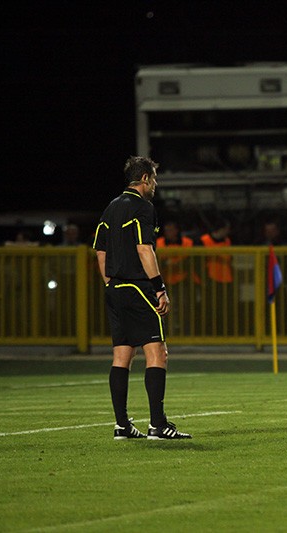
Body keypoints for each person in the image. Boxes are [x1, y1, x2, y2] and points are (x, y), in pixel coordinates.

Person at [93, 156, 191, 440]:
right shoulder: (143, 207)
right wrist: (159, 288)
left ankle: (122, 425)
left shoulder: (111, 208)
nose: (155, 185)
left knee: (122, 354)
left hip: (114, 289)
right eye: (154, 179)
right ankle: (158, 424)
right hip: (138, 287)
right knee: (157, 351)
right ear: (145, 178)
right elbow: (144, 249)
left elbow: (100, 251)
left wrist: (110, 282)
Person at [156, 220, 198, 336]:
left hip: (183, 280)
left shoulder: (187, 242)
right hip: (165, 281)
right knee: (165, 308)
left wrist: (172, 262)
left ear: (176, 231)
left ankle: (186, 333)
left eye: (171, 230)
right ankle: (167, 333)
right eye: (166, 230)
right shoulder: (159, 242)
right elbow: (157, 261)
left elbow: (189, 261)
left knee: (185, 307)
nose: (168, 232)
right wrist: (172, 262)